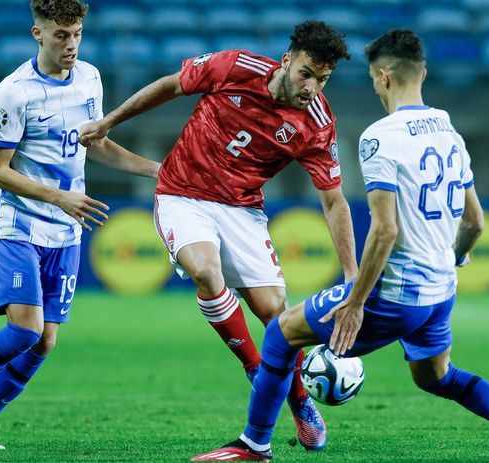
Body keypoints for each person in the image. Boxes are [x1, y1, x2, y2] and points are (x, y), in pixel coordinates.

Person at [191, 29, 489, 462]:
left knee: (280, 334)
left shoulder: (379, 137)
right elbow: (474, 222)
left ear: (382, 76)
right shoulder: (448, 130)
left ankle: (255, 446)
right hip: (440, 294)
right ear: (423, 72)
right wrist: (452, 257)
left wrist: (356, 301)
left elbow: (385, 231)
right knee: (439, 378)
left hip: (395, 294)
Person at [79, 21, 358, 451]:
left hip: (243, 210)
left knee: (276, 315)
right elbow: (170, 86)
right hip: (182, 194)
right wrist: (109, 121)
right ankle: (254, 367)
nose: (312, 87)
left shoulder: (317, 124)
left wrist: (351, 275)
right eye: (306, 73)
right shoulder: (235, 67)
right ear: (287, 60)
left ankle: (300, 400)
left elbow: (335, 201)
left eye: (322, 79)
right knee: (206, 271)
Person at [0, 0, 160, 450]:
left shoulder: (91, 78)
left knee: (44, 342)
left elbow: (98, 145)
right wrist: (62, 197)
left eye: (76, 34)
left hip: (65, 222)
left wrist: (158, 169)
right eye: (60, 35)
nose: (70, 43)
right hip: (16, 216)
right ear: (38, 33)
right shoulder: (13, 93)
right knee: (25, 329)